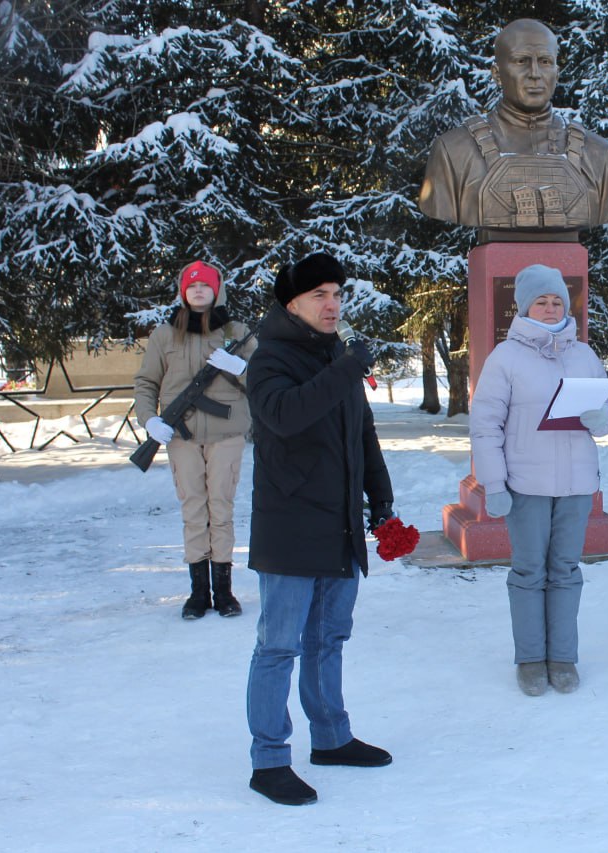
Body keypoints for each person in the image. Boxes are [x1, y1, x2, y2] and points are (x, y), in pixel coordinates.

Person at [243, 251, 395, 806]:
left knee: (328, 638)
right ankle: (268, 760)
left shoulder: (336, 356)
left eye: (336, 294)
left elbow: (363, 434)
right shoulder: (269, 361)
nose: (332, 304)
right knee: (278, 646)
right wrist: (345, 369)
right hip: (289, 526)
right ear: (292, 305)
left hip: (339, 524)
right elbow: (285, 417)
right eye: (319, 296)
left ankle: (331, 738)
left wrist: (381, 501)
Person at [469, 264, 608, 696]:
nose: (551, 308)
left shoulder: (583, 354)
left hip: (574, 485)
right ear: (524, 306)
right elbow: (485, 426)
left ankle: (563, 657)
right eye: (542, 301)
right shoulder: (505, 358)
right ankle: (532, 658)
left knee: (566, 570)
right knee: (530, 571)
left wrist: (602, 418)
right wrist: (494, 485)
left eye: (557, 301)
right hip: (526, 486)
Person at [418, 18, 608, 238]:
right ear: (497, 74)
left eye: (545, 61)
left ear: (557, 72)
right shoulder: (453, 151)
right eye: (521, 61)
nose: (535, 73)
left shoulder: (598, 154)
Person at [134, 260, 255, 620]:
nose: (199, 290)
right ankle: (198, 593)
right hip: (180, 435)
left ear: (217, 289)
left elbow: (266, 381)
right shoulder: (164, 335)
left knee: (221, 508)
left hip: (226, 433)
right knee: (193, 509)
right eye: (192, 285)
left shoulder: (236, 331)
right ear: (182, 292)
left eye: (205, 285)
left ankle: (225, 591)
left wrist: (243, 369)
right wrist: (150, 419)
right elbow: (146, 384)